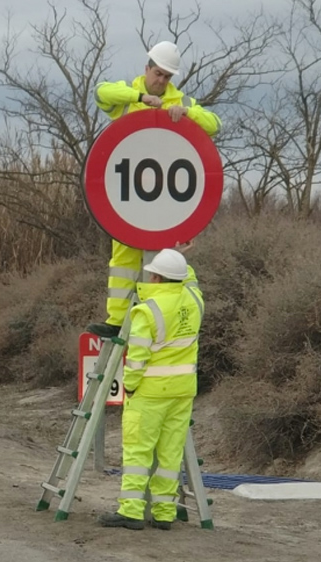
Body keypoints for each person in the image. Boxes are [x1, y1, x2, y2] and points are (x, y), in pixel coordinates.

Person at [86, 41, 220, 338]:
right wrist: (141, 97)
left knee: (159, 264)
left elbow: (214, 124)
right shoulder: (128, 94)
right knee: (122, 260)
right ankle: (116, 322)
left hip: (166, 199)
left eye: (167, 77)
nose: (161, 81)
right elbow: (100, 93)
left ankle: (153, 324)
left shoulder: (181, 101)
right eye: (157, 73)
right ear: (147, 69)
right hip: (129, 195)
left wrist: (185, 114)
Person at [98, 248, 203, 531]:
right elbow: (189, 278)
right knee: (170, 455)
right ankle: (164, 513)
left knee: (137, 453)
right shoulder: (194, 300)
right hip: (183, 392)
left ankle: (131, 512)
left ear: (155, 276)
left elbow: (137, 358)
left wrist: (129, 387)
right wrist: (178, 243)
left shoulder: (147, 310)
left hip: (150, 392)